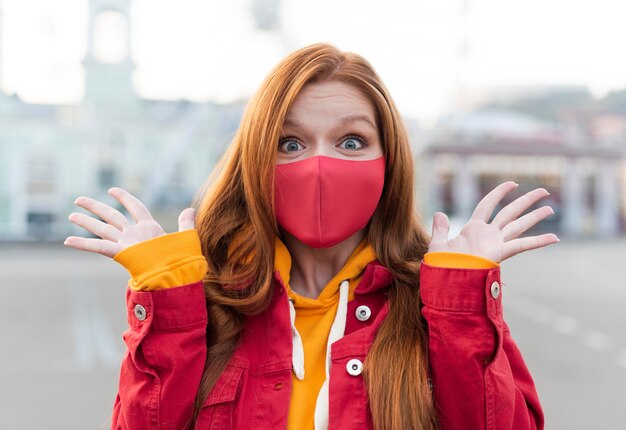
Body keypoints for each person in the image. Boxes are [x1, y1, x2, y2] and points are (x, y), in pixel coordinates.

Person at [64, 43, 556, 430]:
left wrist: (460, 304)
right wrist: (168, 296)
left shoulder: (441, 303)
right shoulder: (202, 303)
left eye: (351, 141)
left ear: (390, 163)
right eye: (290, 143)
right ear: (256, 161)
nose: (321, 166)